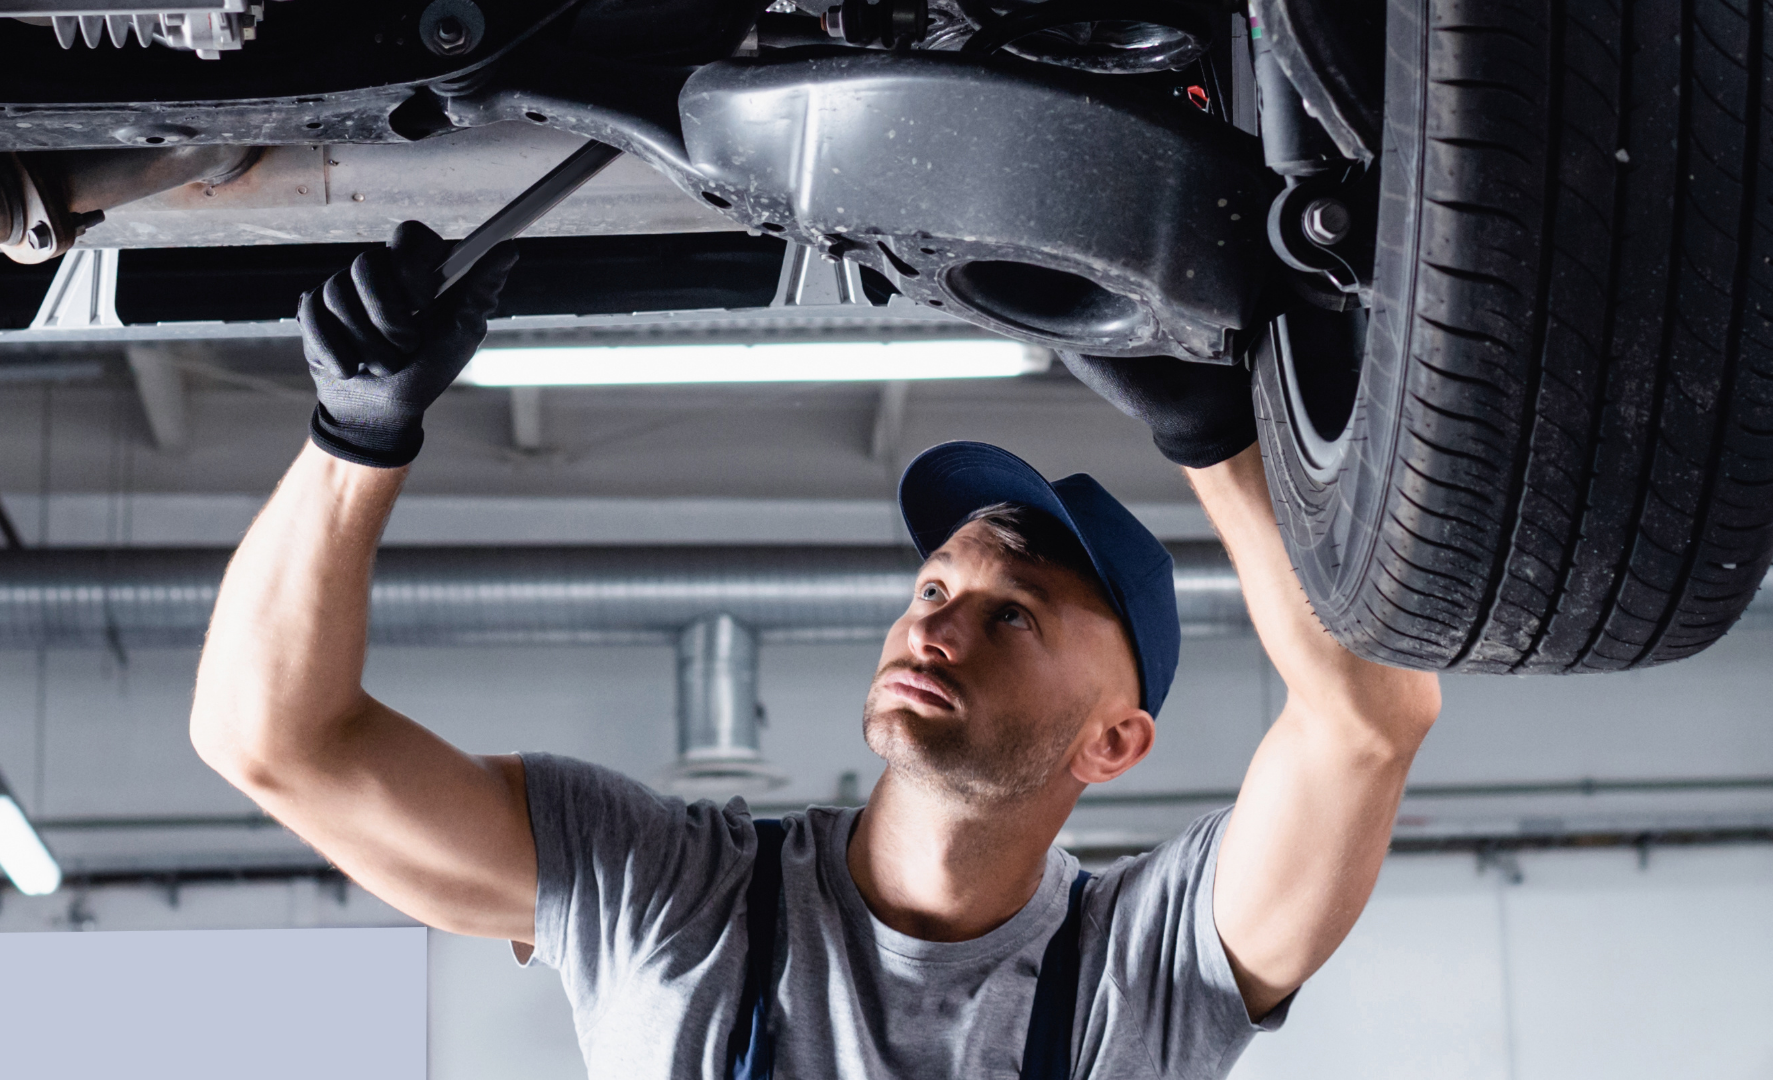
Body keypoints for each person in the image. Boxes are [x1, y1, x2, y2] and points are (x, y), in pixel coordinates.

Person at [190, 223, 1441, 1079]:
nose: (936, 623)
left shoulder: (1141, 974)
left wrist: (1217, 432)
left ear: (1112, 742)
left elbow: (1370, 721)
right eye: (935, 584)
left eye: (1013, 614)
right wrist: (354, 436)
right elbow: (273, 740)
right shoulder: (672, 895)